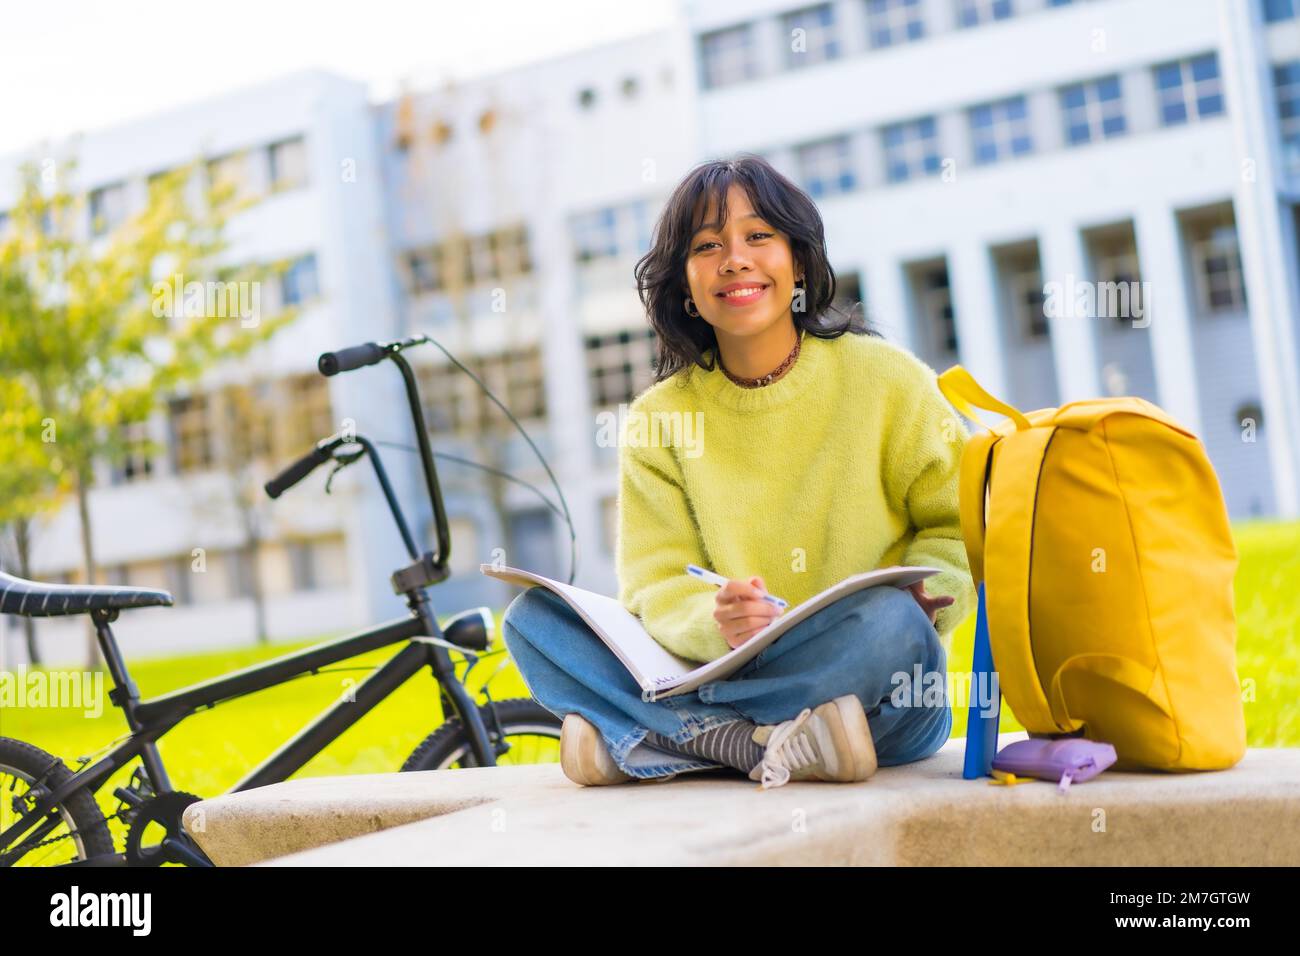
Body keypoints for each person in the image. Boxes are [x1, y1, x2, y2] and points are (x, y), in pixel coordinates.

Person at [502, 154, 976, 790]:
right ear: (685, 284)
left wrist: (932, 596)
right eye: (707, 245)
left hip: (874, 694)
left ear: (799, 260)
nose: (735, 259)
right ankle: (752, 744)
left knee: (889, 623)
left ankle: (664, 738)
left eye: (759, 236)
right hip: (721, 666)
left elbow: (959, 525)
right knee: (535, 622)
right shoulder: (659, 419)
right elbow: (656, 582)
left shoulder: (889, 380)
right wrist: (714, 620)